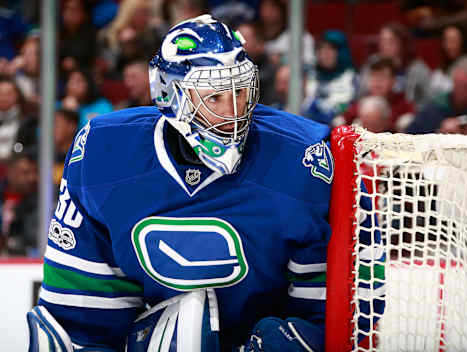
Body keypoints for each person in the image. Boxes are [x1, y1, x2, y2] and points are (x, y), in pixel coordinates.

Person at [27, 15, 384, 352]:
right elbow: (83, 317)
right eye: (214, 97)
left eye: (240, 92)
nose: (233, 112)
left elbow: (342, 316)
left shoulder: (304, 160)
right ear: (169, 94)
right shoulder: (104, 155)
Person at [407, 55, 467, 134]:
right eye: (459, 84)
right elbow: (410, 137)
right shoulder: (435, 108)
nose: (462, 90)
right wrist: (440, 132)